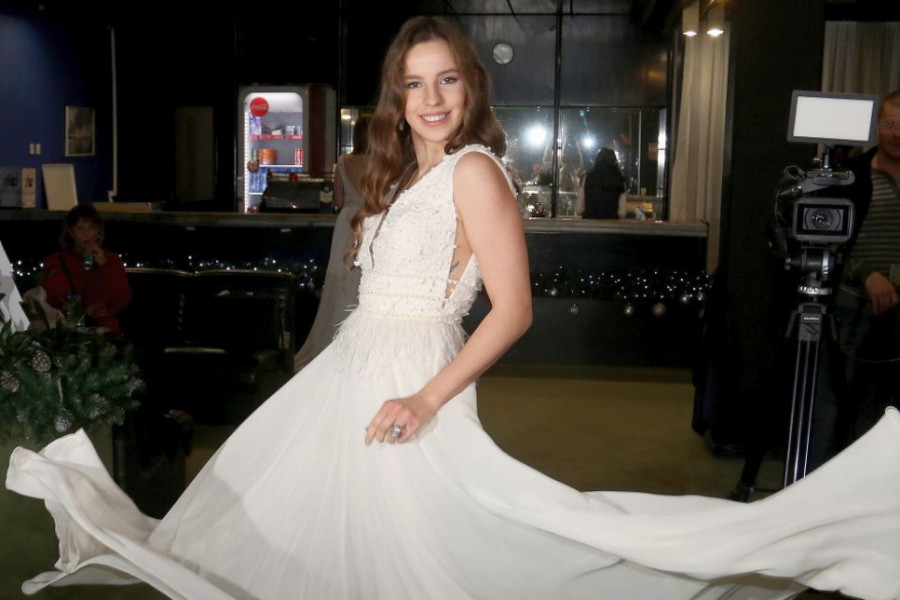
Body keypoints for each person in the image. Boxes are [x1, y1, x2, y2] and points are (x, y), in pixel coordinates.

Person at [6, 17, 900, 600]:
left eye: (447, 82)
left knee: (439, 545)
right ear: (397, 97)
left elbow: (512, 310)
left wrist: (426, 399)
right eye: (415, 84)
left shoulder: (475, 171)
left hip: (413, 378)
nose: (431, 100)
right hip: (355, 370)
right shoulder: (407, 173)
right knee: (304, 527)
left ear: (471, 89)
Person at [832, 89, 900, 447]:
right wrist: (866, 274)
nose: (897, 133)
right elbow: (829, 246)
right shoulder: (850, 177)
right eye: (891, 124)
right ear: (877, 126)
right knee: (843, 408)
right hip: (851, 307)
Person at [293, 114, 371, 371]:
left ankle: (336, 342)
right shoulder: (382, 163)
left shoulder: (343, 162)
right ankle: (361, 345)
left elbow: (337, 200)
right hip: (370, 220)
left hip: (346, 221)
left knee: (341, 280)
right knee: (365, 281)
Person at [37, 203, 131, 335]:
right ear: (70, 231)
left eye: (91, 228)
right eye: (80, 228)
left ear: (99, 232)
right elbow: (51, 297)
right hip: (67, 330)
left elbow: (122, 298)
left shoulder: (111, 260)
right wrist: (80, 308)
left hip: (104, 331)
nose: (86, 234)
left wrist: (104, 267)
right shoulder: (55, 261)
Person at [578, 146, 627, 219]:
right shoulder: (620, 180)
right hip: (612, 223)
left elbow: (579, 209)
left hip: (589, 223)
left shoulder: (587, 177)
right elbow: (622, 213)